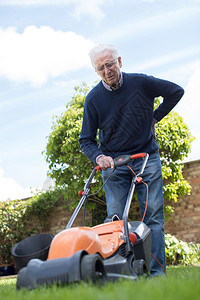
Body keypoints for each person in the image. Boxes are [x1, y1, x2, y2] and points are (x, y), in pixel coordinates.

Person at [79, 44, 184, 277]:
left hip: (146, 158)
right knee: (115, 219)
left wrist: (154, 118)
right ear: (96, 72)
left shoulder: (141, 82)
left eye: (109, 64)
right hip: (114, 165)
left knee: (153, 216)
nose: (107, 71)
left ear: (119, 62)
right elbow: (86, 139)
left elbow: (176, 91)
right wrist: (99, 156)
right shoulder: (94, 99)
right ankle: (121, 274)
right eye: (100, 68)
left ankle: (157, 274)